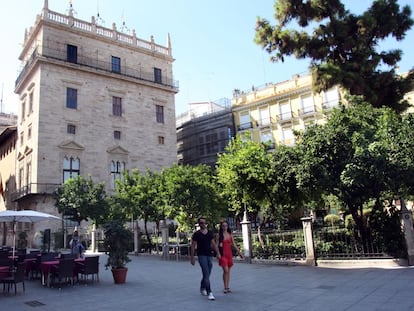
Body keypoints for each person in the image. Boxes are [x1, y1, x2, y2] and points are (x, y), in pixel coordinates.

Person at [190, 217, 221, 301]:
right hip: (201, 255)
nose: (203, 224)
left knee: (207, 273)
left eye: (204, 223)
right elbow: (193, 246)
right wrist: (192, 257)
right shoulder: (196, 234)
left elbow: (214, 244)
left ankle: (202, 286)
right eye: (201, 223)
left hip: (209, 255)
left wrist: (218, 253)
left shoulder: (209, 233)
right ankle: (209, 292)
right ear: (199, 224)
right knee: (206, 272)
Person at [217, 220, 243, 293]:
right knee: (225, 270)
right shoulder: (219, 235)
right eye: (223, 226)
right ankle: (225, 287)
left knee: (228, 272)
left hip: (229, 254)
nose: (225, 227)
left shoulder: (230, 234)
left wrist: (240, 253)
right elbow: (216, 245)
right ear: (221, 227)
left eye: (226, 226)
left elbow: (234, 245)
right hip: (222, 255)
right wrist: (218, 253)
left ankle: (227, 287)